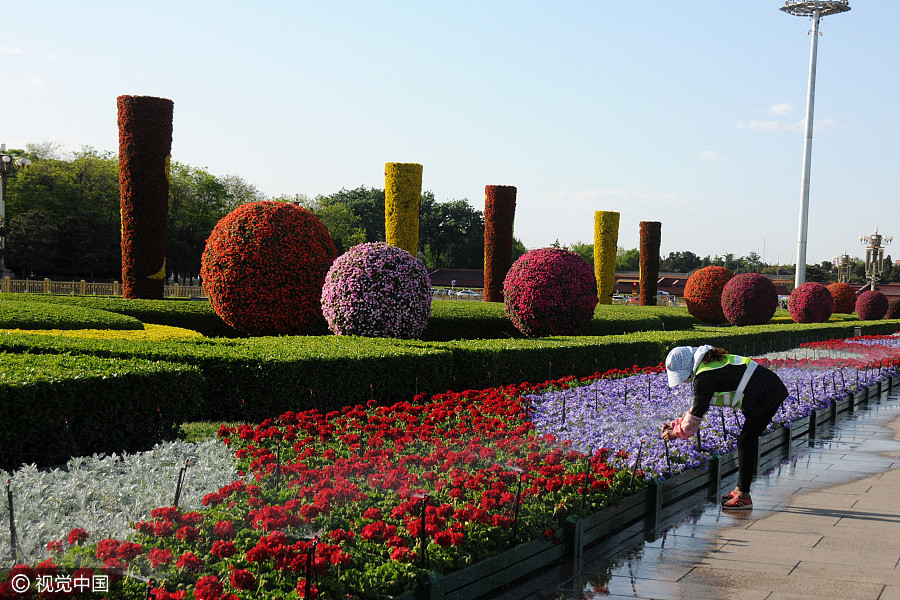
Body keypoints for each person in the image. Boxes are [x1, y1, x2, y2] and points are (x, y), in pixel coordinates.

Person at [661, 345, 788, 510]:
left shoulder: (704, 376)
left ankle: (743, 497)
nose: (684, 380)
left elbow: (698, 411)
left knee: (745, 441)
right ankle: (739, 490)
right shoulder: (707, 366)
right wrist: (674, 424)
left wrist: (675, 433)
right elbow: (698, 406)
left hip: (767, 394)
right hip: (762, 392)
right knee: (746, 441)